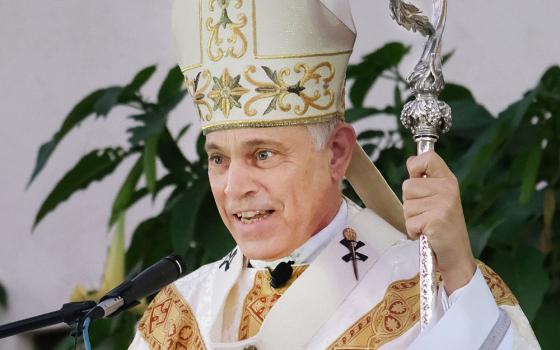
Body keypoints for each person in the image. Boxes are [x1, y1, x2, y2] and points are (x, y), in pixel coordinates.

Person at [128, 1, 540, 349]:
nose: (235, 188)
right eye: (218, 159)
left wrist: (458, 271)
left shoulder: (435, 289)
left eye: (263, 154)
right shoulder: (177, 319)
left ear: (337, 152)